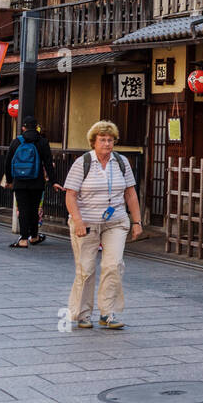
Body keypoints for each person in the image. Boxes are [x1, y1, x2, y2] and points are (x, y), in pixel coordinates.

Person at [63, 121, 141, 330]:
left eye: (110, 140)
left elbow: (130, 193)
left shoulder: (121, 162)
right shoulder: (83, 162)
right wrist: (78, 221)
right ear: (94, 142)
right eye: (103, 140)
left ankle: (108, 312)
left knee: (114, 265)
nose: (107, 144)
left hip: (115, 221)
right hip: (86, 222)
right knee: (86, 269)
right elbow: (70, 195)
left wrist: (137, 221)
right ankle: (82, 313)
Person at [6, 115, 52, 248]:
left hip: (19, 181)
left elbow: (8, 161)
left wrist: (9, 180)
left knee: (23, 208)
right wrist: (53, 180)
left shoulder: (17, 141)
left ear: (23, 127)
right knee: (33, 209)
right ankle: (35, 236)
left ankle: (23, 239)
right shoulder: (42, 141)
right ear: (36, 126)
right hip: (37, 181)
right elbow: (48, 163)